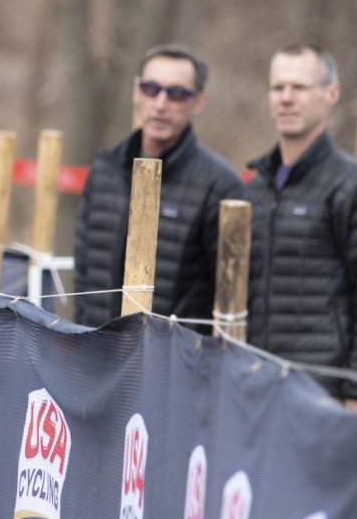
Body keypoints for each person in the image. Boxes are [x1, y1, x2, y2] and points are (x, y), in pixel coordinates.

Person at [245, 44, 357, 407]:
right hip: (252, 391)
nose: (286, 98)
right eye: (277, 87)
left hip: (322, 396)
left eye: (299, 88)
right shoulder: (253, 190)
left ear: (331, 93)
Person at [73, 44, 244, 330]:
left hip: (173, 362)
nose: (161, 104)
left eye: (176, 94)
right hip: (96, 353)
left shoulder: (221, 186)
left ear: (198, 102)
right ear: (136, 92)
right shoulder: (105, 168)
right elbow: (83, 271)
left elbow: (229, 297)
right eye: (151, 89)